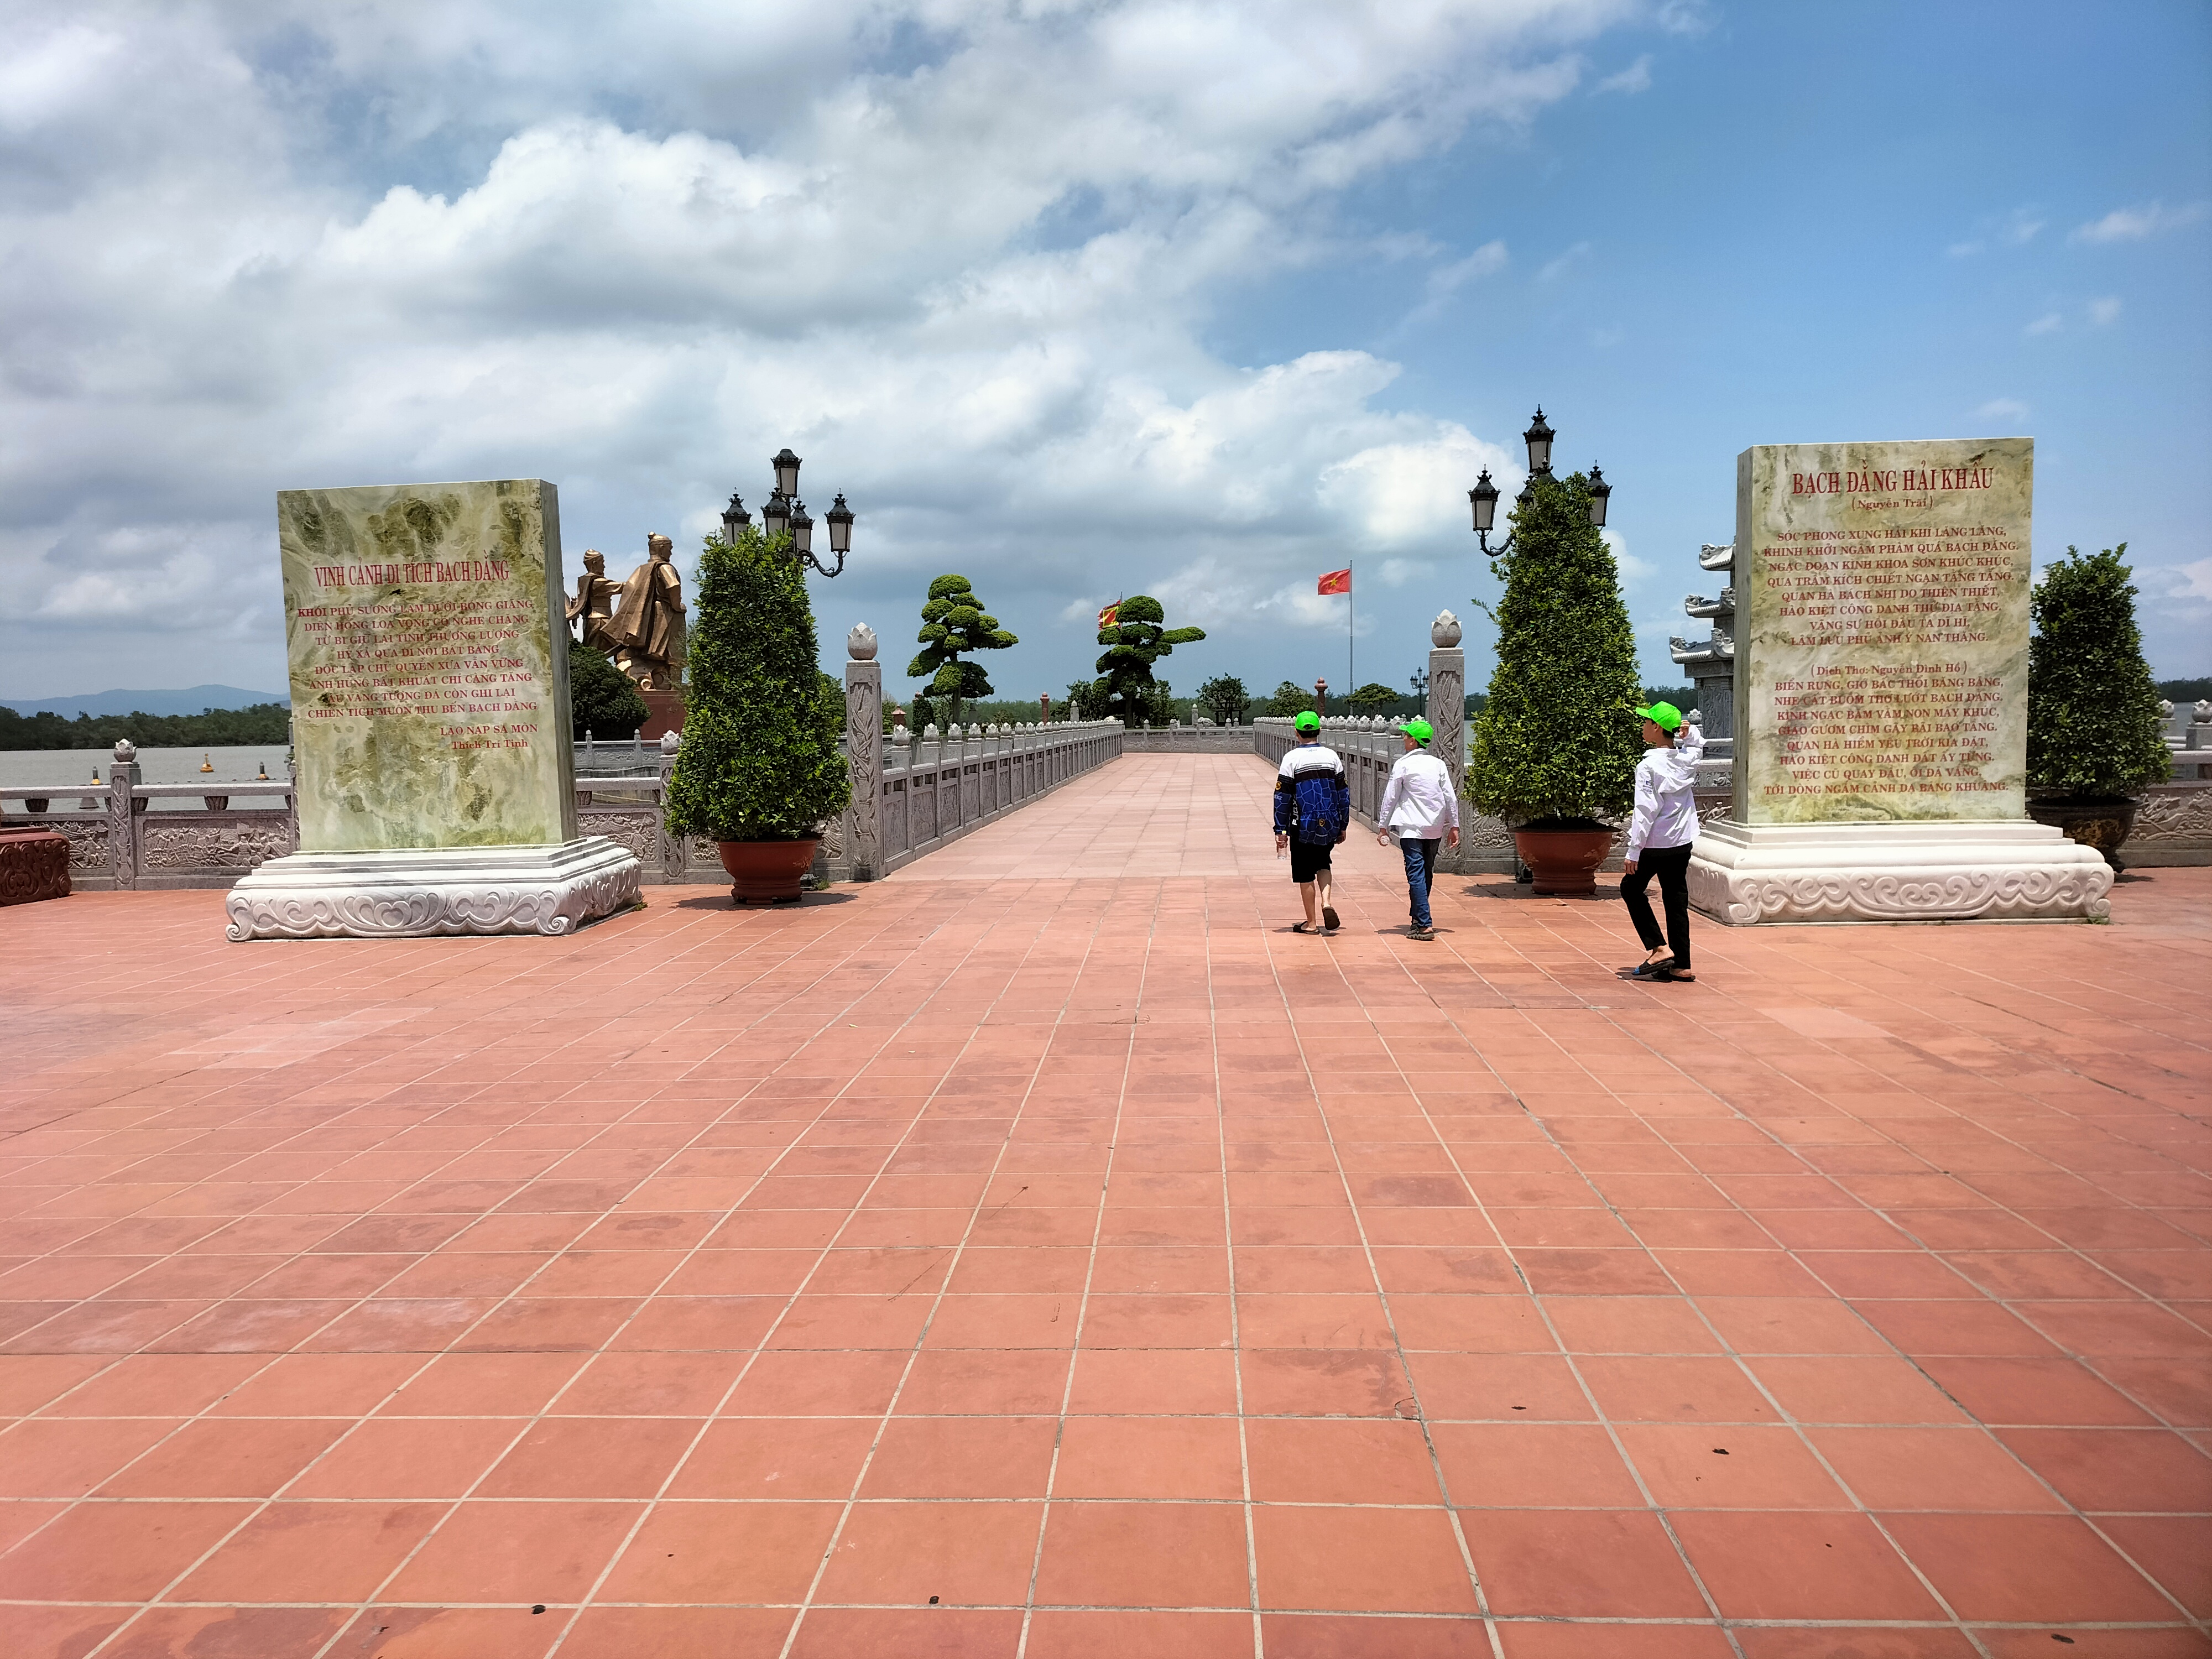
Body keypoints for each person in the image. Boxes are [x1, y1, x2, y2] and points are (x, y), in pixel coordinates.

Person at [1620, 700, 1703, 982]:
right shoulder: (1685, 761)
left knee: (1631, 888)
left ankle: (1659, 948)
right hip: (1681, 841)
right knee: (1675, 899)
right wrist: (1690, 734)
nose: (1644, 726)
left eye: (1647, 721)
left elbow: (1645, 810)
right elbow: (1696, 748)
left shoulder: (1648, 766)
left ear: (1656, 727)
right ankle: (1682, 965)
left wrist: (1634, 850)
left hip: (1655, 844)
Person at [1373, 717, 1461, 941]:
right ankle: (1417, 918)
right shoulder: (1438, 764)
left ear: (1413, 741)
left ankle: (1424, 925)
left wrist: (1383, 826)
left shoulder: (1403, 764)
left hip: (1411, 828)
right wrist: (1454, 826)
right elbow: (1450, 797)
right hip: (1435, 828)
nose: (1404, 739)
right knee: (1426, 872)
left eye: (1406, 736)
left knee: (1416, 874)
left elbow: (1391, 797)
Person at [1273, 710, 1349, 933]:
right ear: (1319, 731)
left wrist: (1281, 829)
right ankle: (1327, 902)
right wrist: (1343, 824)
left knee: (1305, 873)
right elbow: (1343, 794)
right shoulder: (1332, 757)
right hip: (1329, 821)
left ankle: (1312, 923)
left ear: (1296, 733)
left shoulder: (1291, 759)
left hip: (1302, 824)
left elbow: (1282, 797)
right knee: (1323, 863)